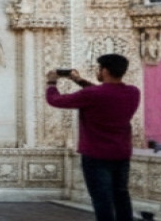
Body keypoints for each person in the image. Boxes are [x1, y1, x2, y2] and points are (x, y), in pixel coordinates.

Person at [46, 53, 141, 221]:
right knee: (121, 195)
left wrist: (52, 82)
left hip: (96, 155)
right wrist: (79, 80)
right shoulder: (133, 93)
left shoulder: (92, 95)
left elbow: (55, 100)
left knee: (101, 199)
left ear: (104, 71)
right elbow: (103, 93)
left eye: (99, 69)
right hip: (121, 153)